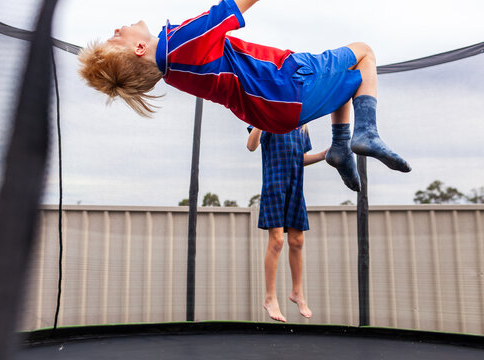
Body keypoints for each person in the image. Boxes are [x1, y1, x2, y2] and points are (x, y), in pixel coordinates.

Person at [78, 0, 411, 192]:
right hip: (285, 83)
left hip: (271, 115)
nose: (117, 29)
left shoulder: (175, 70)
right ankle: (365, 132)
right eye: (114, 37)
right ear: (138, 48)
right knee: (364, 53)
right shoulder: (179, 44)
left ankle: (340, 147)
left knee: (350, 80)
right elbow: (231, 8)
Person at [247, 124, 326, 322]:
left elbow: (300, 159)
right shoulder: (266, 117)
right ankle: (270, 298)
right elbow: (251, 145)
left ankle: (297, 292)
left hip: (295, 186)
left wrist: (323, 155)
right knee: (277, 241)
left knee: (297, 240)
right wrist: (261, 122)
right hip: (275, 185)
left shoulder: (302, 125)